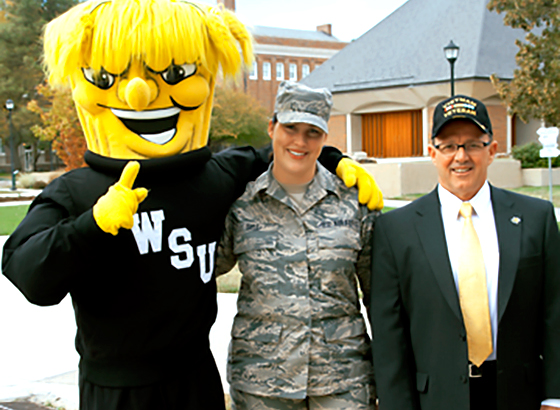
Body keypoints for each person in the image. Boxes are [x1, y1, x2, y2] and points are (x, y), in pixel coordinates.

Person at [1, 2, 383, 410]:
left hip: (195, 378)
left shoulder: (212, 176)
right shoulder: (76, 191)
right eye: (109, 77)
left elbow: (277, 152)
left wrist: (335, 160)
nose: (140, 92)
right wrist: (93, 225)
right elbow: (29, 275)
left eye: (174, 75)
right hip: (118, 389)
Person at [370, 94, 560, 410]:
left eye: (473, 144)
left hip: (520, 395)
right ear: (432, 153)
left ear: (492, 151)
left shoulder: (535, 218)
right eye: (448, 146)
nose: (461, 156)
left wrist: (555, 397)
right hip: (436, 398)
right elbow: (390, 335)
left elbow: (555, 312)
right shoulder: (396, 230)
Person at [215, 81, 378, 410]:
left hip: (342, 381)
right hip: (262, 381)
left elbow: (381, 296)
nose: (300, 142)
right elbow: (199, 270)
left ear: (325, 137)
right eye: (290, 127)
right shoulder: (241, 205)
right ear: (272, 127)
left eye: (312, 132)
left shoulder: (353, 204)